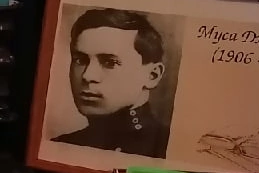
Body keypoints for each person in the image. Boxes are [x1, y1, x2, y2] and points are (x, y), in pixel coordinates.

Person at [51, 8, 171, 158]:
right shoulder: (59, 147)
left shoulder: (171, 150)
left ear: (152, 75)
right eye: (80, 60)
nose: (88, 76)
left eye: (110, 62)